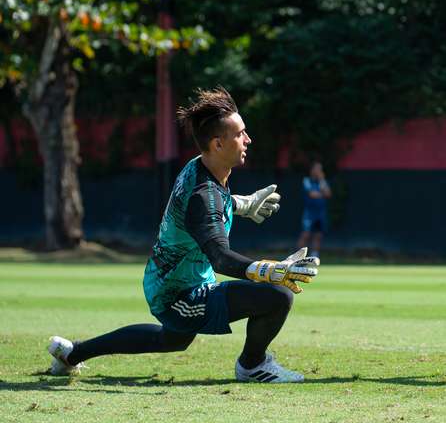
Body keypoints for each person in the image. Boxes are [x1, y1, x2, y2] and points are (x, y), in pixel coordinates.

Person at [47, 86, 320, 383]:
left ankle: (71, 353)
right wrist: (269, 270)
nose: (248, 139)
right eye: (240, 133)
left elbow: (208, 206)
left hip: (171, 282)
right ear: (217, 144)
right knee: (277, 296)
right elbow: (220, 258)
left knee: (171, 340)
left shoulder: (200, 167)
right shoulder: (204, 196)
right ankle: (252, 366)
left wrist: (241, 203)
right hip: (180, 293)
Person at [296, 161, 332, 258]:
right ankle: (297, 256)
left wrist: (322, 180)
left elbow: (328, 194)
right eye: (316, 169)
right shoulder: (307, 180)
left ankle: (314, 256)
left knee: (318, 235)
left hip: (321, 212)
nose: (318, 171)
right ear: (312, 170)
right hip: (309, 213)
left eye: (320, 169)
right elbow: (312, 194)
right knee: (306, 234)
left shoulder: (322, 182)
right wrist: (322, 194)